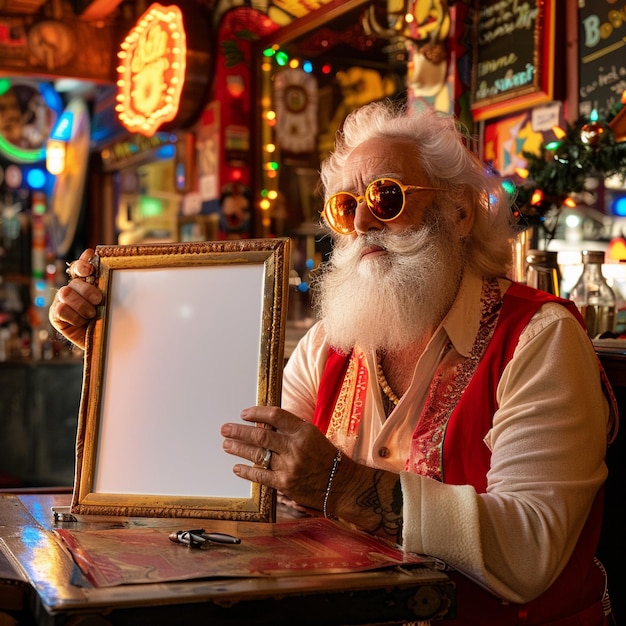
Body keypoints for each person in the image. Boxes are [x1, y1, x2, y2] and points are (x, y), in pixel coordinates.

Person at [50, 101, 617, 625]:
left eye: (386, 198)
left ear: (460, 212)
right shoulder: (330, 343)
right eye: (346, 209)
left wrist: (343, 486)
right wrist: (116, 349)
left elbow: (529, 550)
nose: (363, 225)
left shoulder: (540, 338)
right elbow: (230, 461)